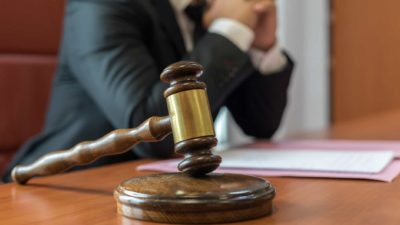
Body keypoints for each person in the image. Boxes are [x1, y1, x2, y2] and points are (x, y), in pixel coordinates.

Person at [2, 0, 293, 182]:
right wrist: (230, 30)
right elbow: (149, 129)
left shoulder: (209, 12)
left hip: (162, 187)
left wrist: (261, 45)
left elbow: (261, 123)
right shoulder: (100, 5)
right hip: (63, 185)